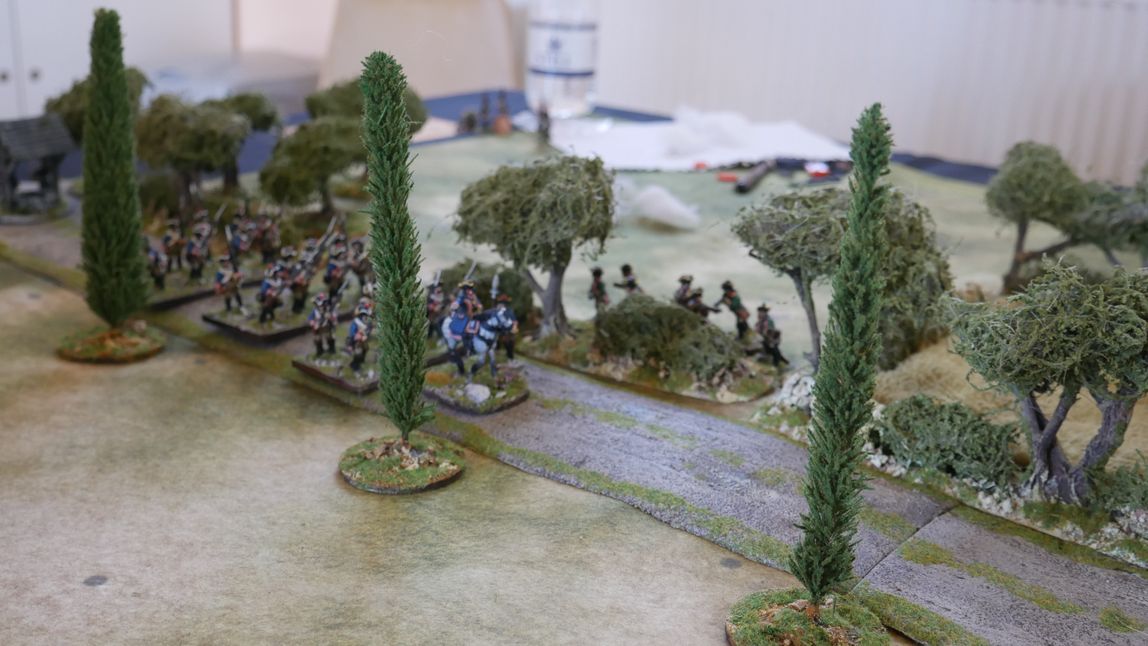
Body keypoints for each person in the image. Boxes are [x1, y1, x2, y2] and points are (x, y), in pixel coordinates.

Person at [346, 298, 374, 373]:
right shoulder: (356, 322)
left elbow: (368, 330)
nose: (364, 316)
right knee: (358, 352)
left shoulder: (368, 322)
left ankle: (361, 360)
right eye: (363, 314)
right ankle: (355, 365)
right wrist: (357, 336)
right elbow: (352, 332)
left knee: (365, 349)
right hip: (356, 341)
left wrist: (366, 335)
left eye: (365, 315)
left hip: (363, 340)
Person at [307, 292, 338, 357]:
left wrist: (330, 318)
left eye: (324, 303)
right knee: (317, 339)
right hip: (318, 328)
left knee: (330, 337)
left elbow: (334, 319)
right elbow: (310, 318)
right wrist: (313, 323)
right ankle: (320, 351)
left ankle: (331, 349)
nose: (323, 306)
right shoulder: (315, 311)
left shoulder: (329, 310)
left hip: (327, 327)